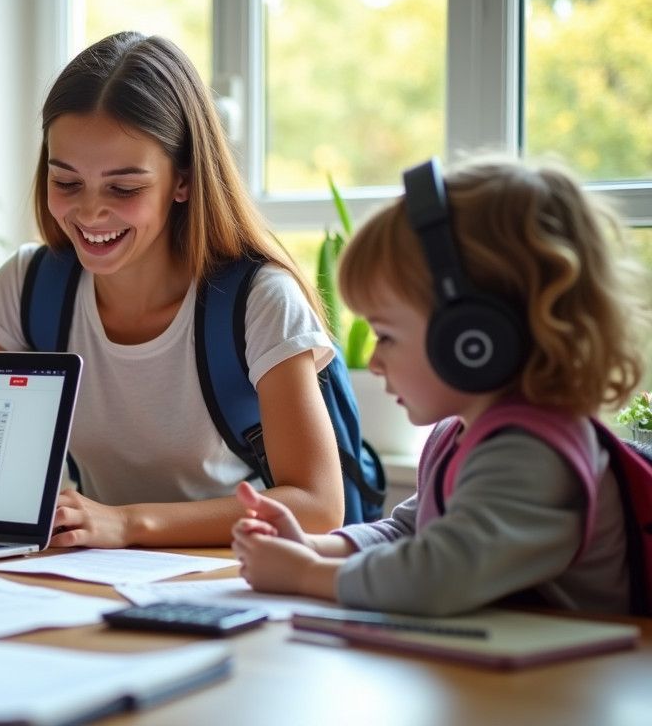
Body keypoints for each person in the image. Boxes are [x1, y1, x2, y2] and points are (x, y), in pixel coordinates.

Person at [0, 31, 343, 548]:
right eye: (66, 182)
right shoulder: (28, 285)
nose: (91, 212)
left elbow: (318, 505)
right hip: (94, 576)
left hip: (233, 576)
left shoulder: (259, 300)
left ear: (182, 180)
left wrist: (127, 523)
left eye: (124, 188)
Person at [232, 156, 650, 616]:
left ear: (472, 339)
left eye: (386, 335)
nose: (373, 360)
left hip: (581, 680)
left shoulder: (530, 453)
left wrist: (305, 575)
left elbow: (437, 575)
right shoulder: (462, 434)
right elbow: (408, 532)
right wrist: (313, 547)